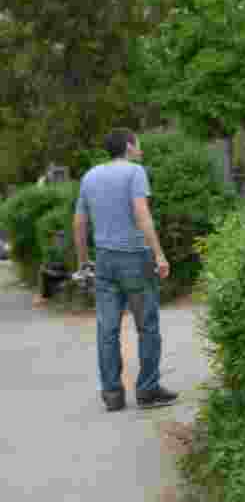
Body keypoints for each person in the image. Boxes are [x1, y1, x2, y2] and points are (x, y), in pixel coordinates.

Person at [73, 129, 179, 412]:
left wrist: (84, 262)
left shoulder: (90, 176)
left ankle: (112, 394)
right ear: (129, 146)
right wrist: (159, 254)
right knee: (147, 326)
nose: (140, 149)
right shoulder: (135, 172)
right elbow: (141, 213)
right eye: (138, 144)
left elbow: (80, 223)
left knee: (107, 329)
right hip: (135, 258)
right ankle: (147, 390)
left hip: (105, 259)